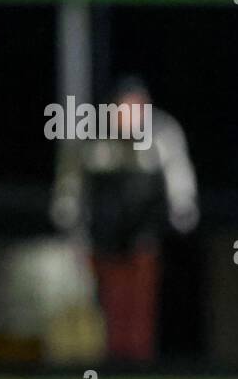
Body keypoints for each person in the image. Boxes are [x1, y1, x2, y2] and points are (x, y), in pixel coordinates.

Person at [50, 77, 199, 362]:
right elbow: (71, 181)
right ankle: (111, 362)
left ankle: (139, 362)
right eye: (125, 107)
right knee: (109, 301)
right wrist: (67, 212)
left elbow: (179, 178)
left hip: (144, 234)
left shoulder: (163, 133)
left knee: (140, 303)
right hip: (104, 236)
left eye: (137, 107)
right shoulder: (92, 135)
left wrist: (182, 210)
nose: (130, 114)